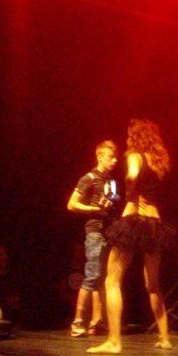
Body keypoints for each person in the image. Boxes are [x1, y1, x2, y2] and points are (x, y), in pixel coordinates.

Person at [88, 119, 175, 354]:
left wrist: (129, 185)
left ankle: (114, 341)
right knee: (153, 284)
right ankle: (165, 338)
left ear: (137, 137)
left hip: (133, 218)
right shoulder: (158, 160)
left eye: (129, 135)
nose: (126, 139)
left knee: (112, 281)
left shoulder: (135, 155)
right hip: (154, 222)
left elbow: (133, 174)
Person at [66, 140, 119, 338]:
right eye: (110, 157)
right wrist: (93, 208)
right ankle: (77, 321)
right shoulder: (88, 178)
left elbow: (112, 203)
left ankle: (97, 321)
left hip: (108, 232)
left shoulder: (111, 181)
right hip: (94, 232)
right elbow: (71, 204)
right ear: (100, 157)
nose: (114, 160)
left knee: (102, 278)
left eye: (115, 157)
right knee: (92, 275)